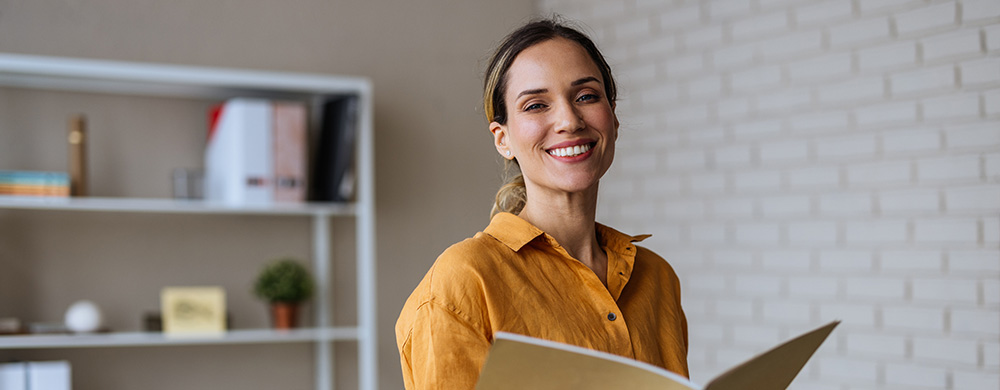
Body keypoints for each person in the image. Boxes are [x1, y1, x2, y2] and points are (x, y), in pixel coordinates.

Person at [395, 18, 688, 389]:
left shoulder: (657, 277)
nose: (569, 120)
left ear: (613, 117)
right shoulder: (463, 282)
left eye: (586, 96)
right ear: (502, 139)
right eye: (535, 105)